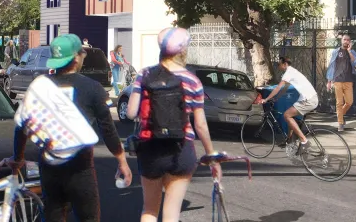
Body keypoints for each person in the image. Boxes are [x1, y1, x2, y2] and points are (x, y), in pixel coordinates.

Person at [13, 34, 132, 222]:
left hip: (49, 166)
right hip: (80, 167)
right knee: (88, 217)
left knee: (54, 215)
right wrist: (122, 160)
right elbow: (108, 130)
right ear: (76, 57)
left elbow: (22, 126)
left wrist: (18, 158)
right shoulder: (92, 88)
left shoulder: (39, 86)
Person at [125, 27, 220, 222]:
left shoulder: (144, 75)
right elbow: (200, 124)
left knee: (150, 210)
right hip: (181, 149)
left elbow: (131, 112)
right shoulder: (192, 80)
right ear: (183, 50)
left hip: (150, 147)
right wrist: (211, 155)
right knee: (171, 212)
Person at [263, 56, 319, 151]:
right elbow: (284, 88)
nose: (278, 66)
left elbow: (278, 88)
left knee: (287, 115)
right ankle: (289, 140)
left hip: (308, 100)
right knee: (291, 116)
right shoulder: (292, 72)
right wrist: (275, 98)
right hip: (309, 98)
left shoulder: (288, 73)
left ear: (285, 64)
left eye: (279, 64)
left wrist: (266, 99)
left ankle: (304, 141)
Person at [325, 34, 356, 132]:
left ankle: (340, 115)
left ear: (350, 41)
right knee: (339, 103)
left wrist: (349, 51)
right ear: (341, 40)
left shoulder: (352, 52)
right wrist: (329, 81)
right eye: (344, 39)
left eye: (348, 40)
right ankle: (340, 123)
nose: (346, 41)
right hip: (337, 80)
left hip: (348, 80)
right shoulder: (336, 51)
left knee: (349, 102)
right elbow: (331, 67)